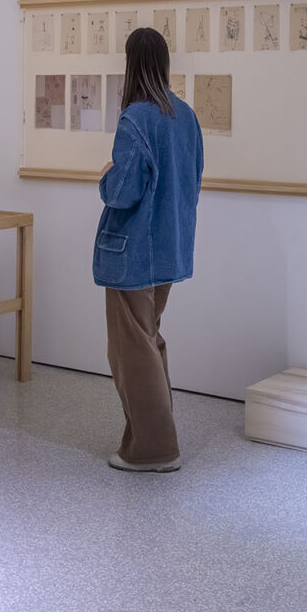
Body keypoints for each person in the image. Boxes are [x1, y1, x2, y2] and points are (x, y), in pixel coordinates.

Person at [95, 27, 203, 472]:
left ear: (131, 63)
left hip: (133, 251)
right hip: (170, 248)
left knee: (132, 351)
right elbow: (192, 182)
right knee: (149, 342)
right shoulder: (186, 116)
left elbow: (122, 192)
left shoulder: (135, 118)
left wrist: (106, 174)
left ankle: (154, 450)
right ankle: (151, 441)